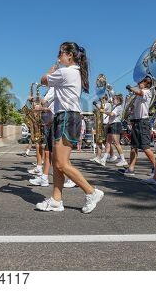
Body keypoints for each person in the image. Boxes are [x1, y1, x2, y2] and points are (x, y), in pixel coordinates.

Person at [36, 42, 104, 213]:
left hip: (66, 117)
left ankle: (91, 192)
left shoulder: (65, 71)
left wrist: (54, 67)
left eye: (60, 53)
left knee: (61, 163)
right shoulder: (74, 72)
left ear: (69, 55)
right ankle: (56, 199)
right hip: (65, 116)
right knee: (57, 162)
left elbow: (43, 80)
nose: (58, 55)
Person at [121, 75, 156, 176]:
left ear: (145, 83)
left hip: (143, 122)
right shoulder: (138, 95)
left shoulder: (147, 92)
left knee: (145, 147)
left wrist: (130, 87)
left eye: (140, 82)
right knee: (133, 147)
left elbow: (139, 92)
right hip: (136, 121)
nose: (138, 83)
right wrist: (131, 112)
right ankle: (131, 169)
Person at [29, 86, 54, 187]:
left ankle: (71, 178)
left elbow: (45, 103)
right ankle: (44, 178)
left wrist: (38, 105)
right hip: (49, 123)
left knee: (58, 156)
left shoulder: (53, 89)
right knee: (48, 153)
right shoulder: (50, 90)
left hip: (54, 124)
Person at [99, 94, 127, 167]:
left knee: (116, 143)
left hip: (115, 125)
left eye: (114, 99)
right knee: (108, 143)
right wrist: (108, 124)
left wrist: (104, 111)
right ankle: (104, 159)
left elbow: (111, 114)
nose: (112, 100)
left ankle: (123, 160)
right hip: (112, 125)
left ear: (118, 100)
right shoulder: (115, 106)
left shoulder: (119, 107)